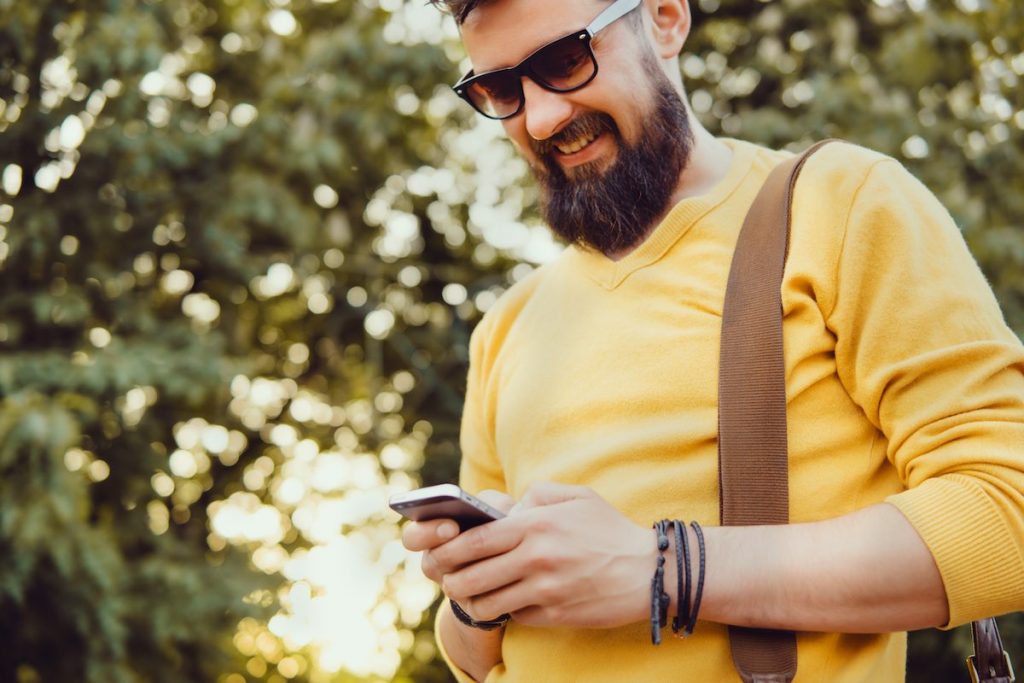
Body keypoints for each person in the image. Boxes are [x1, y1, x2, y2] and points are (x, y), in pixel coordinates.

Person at [400, 0, 1024, 680]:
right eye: (500, 89)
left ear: (665, 18)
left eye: (564, 60)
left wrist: (662, 569)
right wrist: (476, 596)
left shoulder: (838, 203)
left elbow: (1006, 509)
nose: (541, 117)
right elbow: (472, 659)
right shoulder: (507, 327)